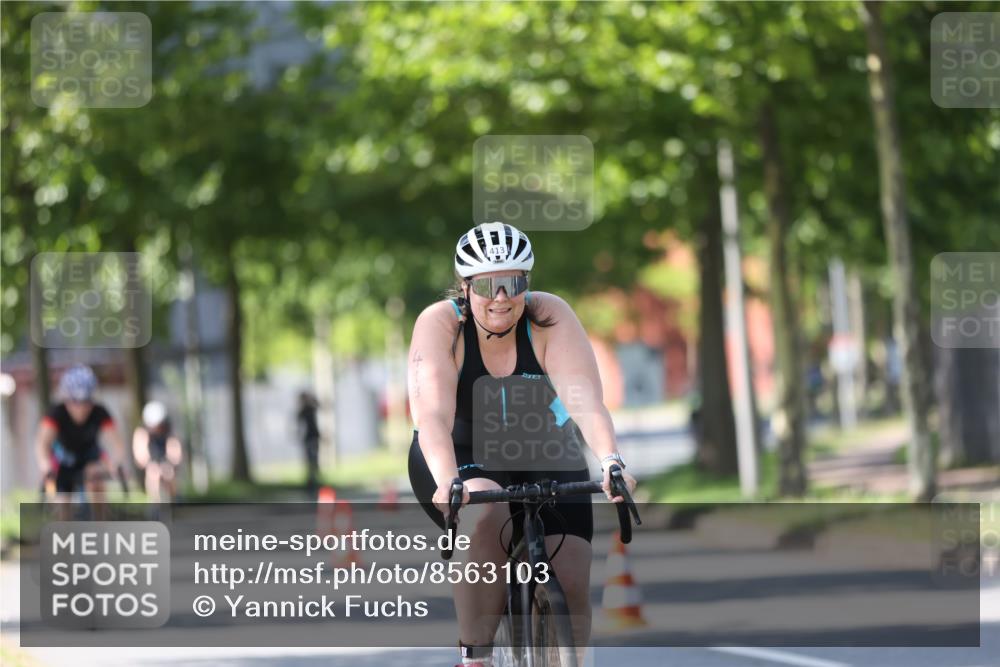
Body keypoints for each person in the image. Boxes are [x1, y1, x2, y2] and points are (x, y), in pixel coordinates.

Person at [407, 222, 638, 667]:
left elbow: (586, 402)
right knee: (486, 515)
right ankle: (475, 657)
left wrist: (611, 460)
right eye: (487, 285)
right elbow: (431, 415)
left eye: (512, 283)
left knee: (571, 572)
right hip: (458, 452)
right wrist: (448, 481)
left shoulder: (548, 316)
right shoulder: (442, 324)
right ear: (466, 286)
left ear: (526, 284)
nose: (500, 297)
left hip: (541, 446)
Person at [35, 364, 127, 512]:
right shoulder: (56, 413)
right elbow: (42, 443)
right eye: (75, 402)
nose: (81, 408)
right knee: (62, 506)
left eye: (86, 401)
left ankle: (101, 527)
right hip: (63, 460)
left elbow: (117, 444)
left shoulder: (100, 412)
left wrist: (115, 464)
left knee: (97, 483)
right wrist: (45, 464)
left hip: (90, 457)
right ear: (66, 399)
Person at [132, 400, 183, 503]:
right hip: (150, 464)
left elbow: (175, 450)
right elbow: (140, 456)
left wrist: (170, 463)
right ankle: (155, 504)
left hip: (166, 461)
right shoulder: (142, 433)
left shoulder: (168, 431)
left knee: (168, 473)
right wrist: (151, 465)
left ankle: (174, 499)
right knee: (153, 474)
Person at [296, 391, 321, 493]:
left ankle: (314, 478)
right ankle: (311, 480)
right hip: (308, 438)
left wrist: (312, 397)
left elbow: (318, 404)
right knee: (310, 459)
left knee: (314, 458)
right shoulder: (303, 410)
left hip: (313, 437)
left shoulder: (310, 408)